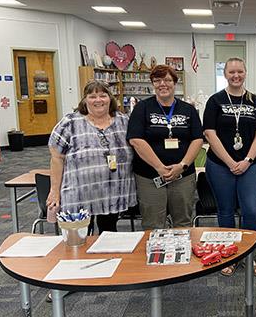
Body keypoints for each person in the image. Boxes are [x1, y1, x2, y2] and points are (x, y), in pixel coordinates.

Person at [203, 57, 256, 277]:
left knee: (251, 210)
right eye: (231, 72)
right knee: (226, 210)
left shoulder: (254, 101)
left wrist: (247, 160)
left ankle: (250, 255)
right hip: (220, 165)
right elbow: (209, 133)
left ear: (245, 73)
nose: (236, 75)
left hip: (250, 164)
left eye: (240, 71)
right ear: (225, 74)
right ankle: (228, 255)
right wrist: (230, 162)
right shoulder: (216, 100)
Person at [47, 80, 137, 233]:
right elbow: (57, 157)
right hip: (79, 194)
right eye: (92, 96)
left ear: (110, 98)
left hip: (112, 192)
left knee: (108, 234)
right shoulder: (70, 123)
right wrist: (54, 191)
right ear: (84, 100)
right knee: (79, 237)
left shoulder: (124, 121)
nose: (98, 100)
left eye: (103, 95)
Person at [127, 65, 203, 229]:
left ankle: (182, 254)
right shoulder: (142, 108)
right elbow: (136, 140)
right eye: (157, 80)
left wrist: (182, 166)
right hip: (150, 176)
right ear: (152, 84)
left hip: (183, 176)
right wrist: (160, 168)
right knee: (153, 224)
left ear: (175, 82)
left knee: (183, 222)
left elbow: (197, 140)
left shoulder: (188, 110)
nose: (163, 84)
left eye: (167, 80)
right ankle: (155, 255)